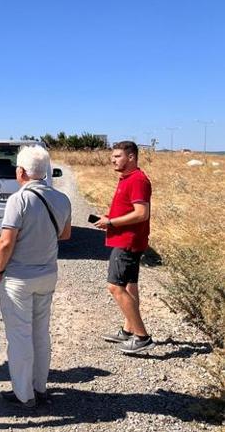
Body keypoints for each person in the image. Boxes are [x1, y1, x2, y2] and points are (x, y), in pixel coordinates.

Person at [0, 145, 72, 408]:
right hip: (48, 274)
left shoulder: (19, 199)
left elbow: (6, 242)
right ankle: (40, 388)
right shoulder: (62, 200)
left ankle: (23, 395)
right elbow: (65, 234)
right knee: (41, 334)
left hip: (19, 278)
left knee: (19, 337)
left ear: (21, 172)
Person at [94, 141, 155, 354]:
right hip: (127, 239)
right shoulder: (127, 178)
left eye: (118, 156)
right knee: (130, 286)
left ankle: (142, 337)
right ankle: (129, 330)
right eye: (113, 156)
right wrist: (108, 218)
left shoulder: (137, 180)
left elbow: (141, 213)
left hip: (128, 242)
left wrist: (111, 223)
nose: (113, 159)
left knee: (115, 286)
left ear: (131, 157)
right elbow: (129, 210)